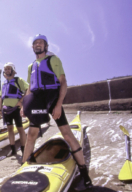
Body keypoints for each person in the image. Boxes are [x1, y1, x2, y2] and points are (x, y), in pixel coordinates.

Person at [21, 34, 92, 190]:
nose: (38, 45)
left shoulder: (53, 60)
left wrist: (58, 105)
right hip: (38, 100)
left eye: (41, 42)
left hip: (52, 98)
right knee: (31, 135)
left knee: (67, 134)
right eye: (35, 43)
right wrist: (24, 106)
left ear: (46, 46)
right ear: (32, 47)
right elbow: (29, 88)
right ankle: (23, 171)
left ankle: (84, 172)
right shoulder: (30, 66)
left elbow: (63, 82)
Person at [0, 63, 28, 157]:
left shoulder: (18, 80)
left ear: (12, 70)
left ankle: (24, 151)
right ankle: (13, 150)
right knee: (10, 129)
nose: (7, 71)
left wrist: (21, 101)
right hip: (6, 110)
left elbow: (28, 89)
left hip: (16, 109)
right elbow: (1, 97)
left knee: (20, 129)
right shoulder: (4, 83)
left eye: (9, 69)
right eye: (5, 69)